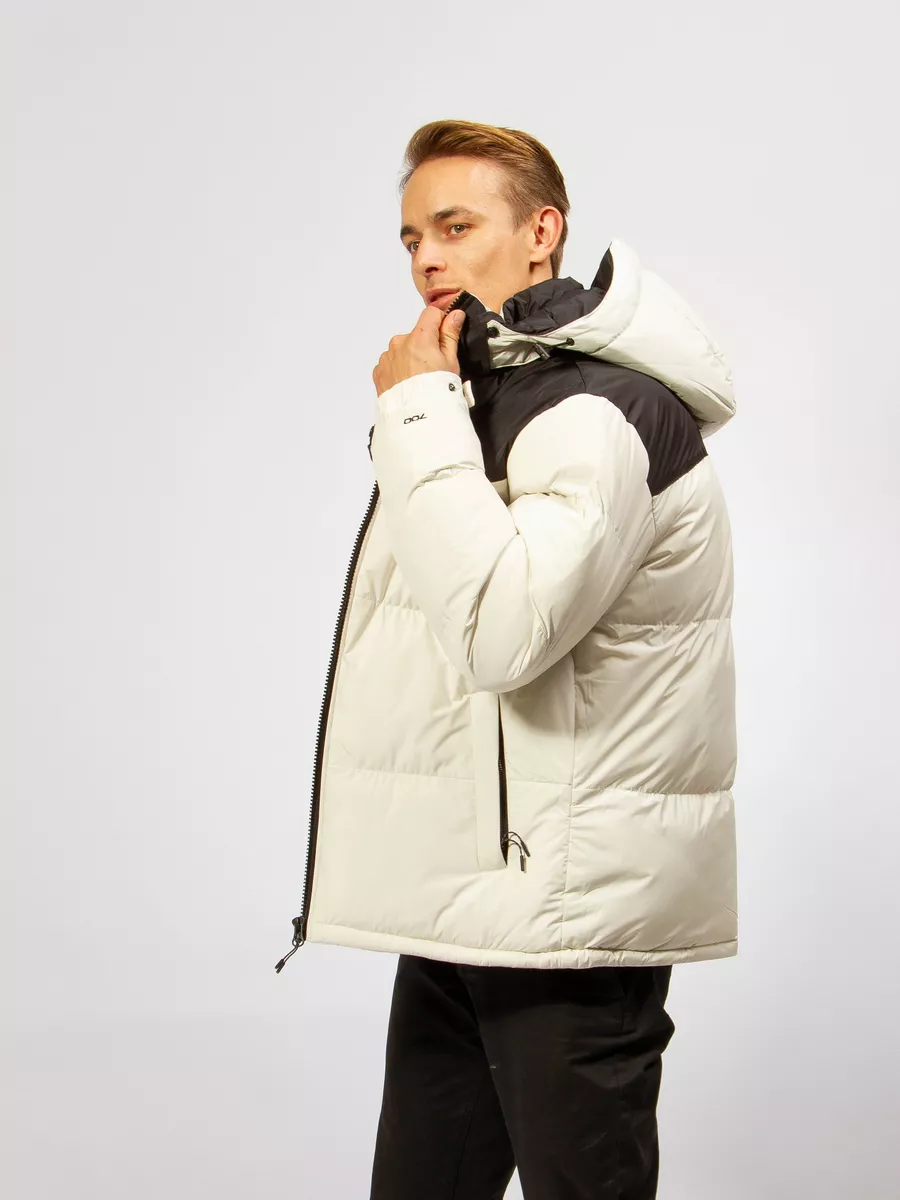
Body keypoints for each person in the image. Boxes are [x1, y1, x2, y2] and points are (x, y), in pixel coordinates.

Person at [275, 118, 738, 1199]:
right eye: (410, 238)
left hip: (567, 920)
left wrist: (414, 409)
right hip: (468, 900)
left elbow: (502, 633)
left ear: (542, 233)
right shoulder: (488, 398)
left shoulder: (602, 410)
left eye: (455, 227)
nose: (427, 259)